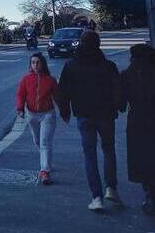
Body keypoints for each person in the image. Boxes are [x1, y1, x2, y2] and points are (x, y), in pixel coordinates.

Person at [58, 30, 124, 211]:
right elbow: (117, 90)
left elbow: (62, 91)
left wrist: (65, 111)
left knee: (90, 155)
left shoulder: (71, 65)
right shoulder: (108, 66)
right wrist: (119, 106)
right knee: (109, 150)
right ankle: (111, 187)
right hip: (105, 115)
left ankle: (96, 197)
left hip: (84, 115)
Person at [120, 43, 155, 216]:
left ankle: (150, 193)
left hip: (137, 121)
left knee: (142, 157)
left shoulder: (127, 75)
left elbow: (120, 104)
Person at [16, 52, 61, 185]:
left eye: (38, 62)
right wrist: (20, 108)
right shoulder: (26, 79)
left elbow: (58, 96)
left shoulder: (50, 80)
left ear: (43, 64)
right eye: (33, 63)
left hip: (47, 114)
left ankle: (45, 171)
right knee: (37, 141)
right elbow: (21, 95)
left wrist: (65, 112)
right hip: (32, 114)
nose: (35, 65)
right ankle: (46, 162)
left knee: (45, 142)